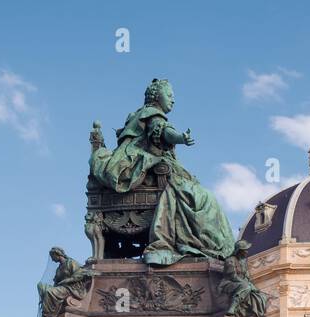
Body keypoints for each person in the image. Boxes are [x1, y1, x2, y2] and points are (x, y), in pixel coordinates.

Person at [88, 78, 235, 266]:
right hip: (150, 175)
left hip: (149, 172)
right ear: (158, 97)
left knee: (198, 192)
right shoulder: (152, 115)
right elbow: (163, 132)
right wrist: (181, 137)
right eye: (170, 95)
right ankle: (207, 244)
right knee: (204, 198)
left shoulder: (140, 115)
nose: (173, 99)